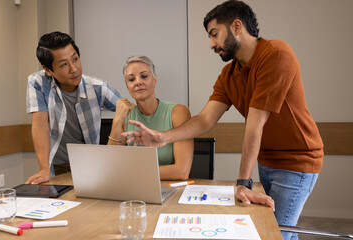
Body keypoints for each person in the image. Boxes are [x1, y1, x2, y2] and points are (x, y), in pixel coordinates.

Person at [122, 1, 323, 239]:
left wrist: (243, 183)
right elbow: (205, 120)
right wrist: (162, 136)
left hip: (297, 160)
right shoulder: (229, 74)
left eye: (214, 34)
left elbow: (255, 125)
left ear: (237, 26)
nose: (211, 44)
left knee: (276, 233)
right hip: (267, 159)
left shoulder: (275, 55)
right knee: (277, 229)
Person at [26, 31, 122, 184]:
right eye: (64, 64)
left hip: (91, 166)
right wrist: (44, 169)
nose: (74, 69)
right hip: (58, 165)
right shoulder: (37, 83)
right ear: (48, 70)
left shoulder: (98, 87)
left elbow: (128, 111)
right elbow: (40, 125)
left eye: (75, 59)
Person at [108, 55, 193, 180]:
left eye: (144, 76)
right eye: (131, 79)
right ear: (127, 86)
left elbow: (181, 171)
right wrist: (117, 120)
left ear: (155, 80)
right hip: (134, 188)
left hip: (169, 188)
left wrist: (132, 174)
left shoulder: (178, 112)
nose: (138, 82)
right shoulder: (125, 116)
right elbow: (110, 166)